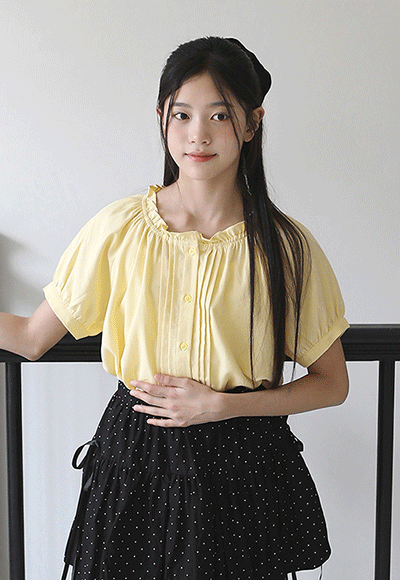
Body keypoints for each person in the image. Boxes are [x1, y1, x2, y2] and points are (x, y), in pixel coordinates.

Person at [0, 37, 349, 580]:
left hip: (243, 468)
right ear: (162, 118)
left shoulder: (285, 247)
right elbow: (30, 338)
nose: (198, 135)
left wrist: (222, 407)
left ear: (252, 123)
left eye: (219, 115)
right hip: (137, 461)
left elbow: (332, 384)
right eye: (182, 114)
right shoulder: (120, 229)